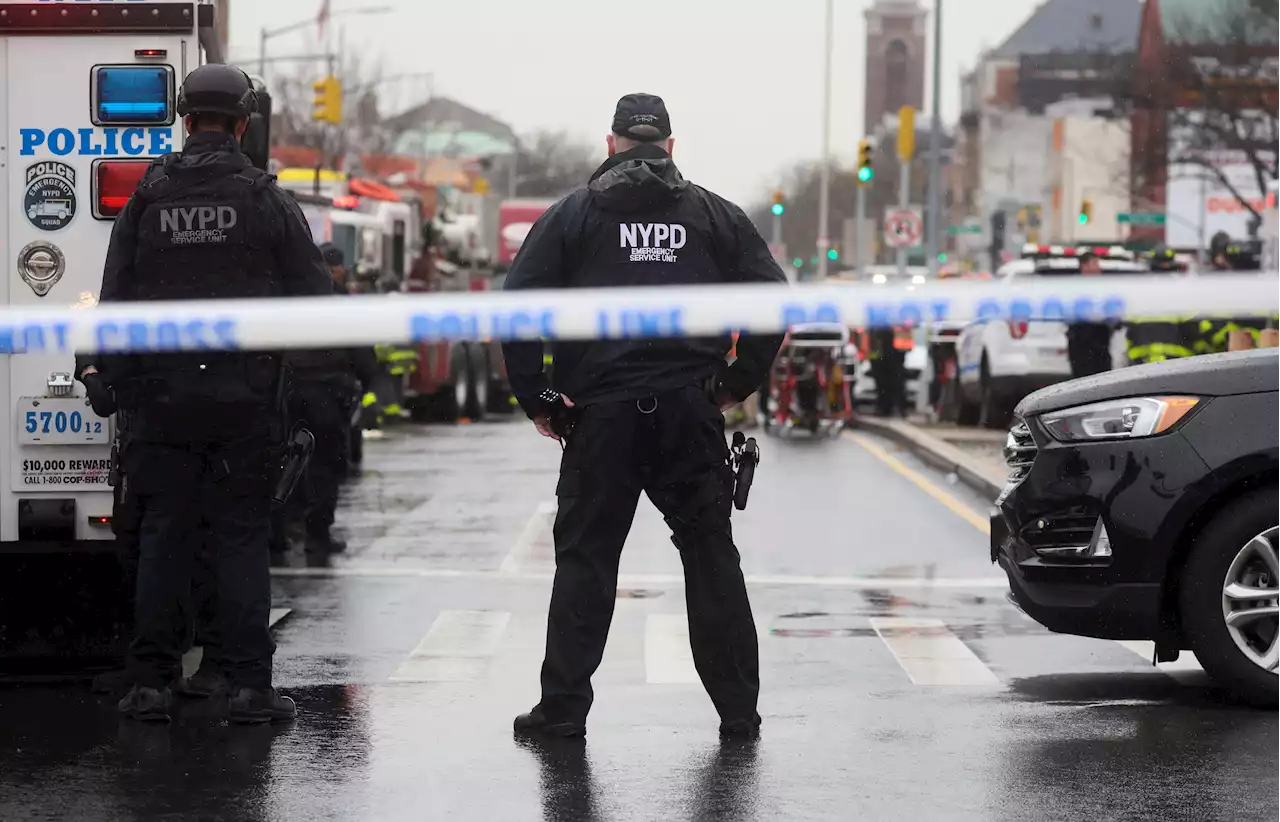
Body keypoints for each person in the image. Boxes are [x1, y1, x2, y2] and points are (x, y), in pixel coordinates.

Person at [501, 93, 786, 740]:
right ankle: (738, 712)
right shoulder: (714, 216)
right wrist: (735, 384)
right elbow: (772, 300)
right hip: (689, 411)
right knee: (710, 554)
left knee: (586, 561)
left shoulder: (573, 215)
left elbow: (514, 309)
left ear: (610, 144)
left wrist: (538, 398)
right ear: (670, 148)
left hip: (601, 418)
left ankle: (563, 711)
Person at [83, 64, 332, 723]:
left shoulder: (147, 198)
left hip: (160, 403)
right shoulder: (265, 199)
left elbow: (115, 301)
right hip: (245, 402)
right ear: (244, 124)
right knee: (241, 539)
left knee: (163, 537)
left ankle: (151, 684)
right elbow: (317, 300)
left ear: (185, 120)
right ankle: (248, 688)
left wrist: (110, 378)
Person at [272, 243, 379, 564]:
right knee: (325, 467)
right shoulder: (341, 304)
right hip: (327, 398)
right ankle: (317, 537)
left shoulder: (287, 299)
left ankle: (275, 536)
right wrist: (368, 384)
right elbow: (363, 356)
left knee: (282, 465)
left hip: (288, 395)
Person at [1065, 250, 1115, 378]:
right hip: (1080, 344)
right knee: (1081, 381)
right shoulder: (1073, 286)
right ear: (1084, 266)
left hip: (1101, 343)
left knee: (1103, 381)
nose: (1099, 267)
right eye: (1095, 263)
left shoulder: (1105, 286)